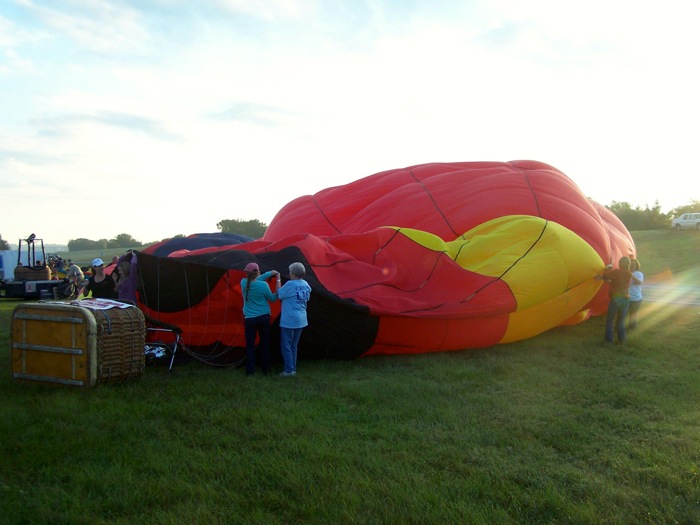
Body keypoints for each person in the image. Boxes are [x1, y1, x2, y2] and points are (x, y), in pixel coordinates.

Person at [240, 262, 280, 376]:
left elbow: (254, 279)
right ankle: (266, 370)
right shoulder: (263, 285)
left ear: (246, 273)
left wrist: (267, 274)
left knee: (250, 346)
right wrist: (277, 288)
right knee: (265, 344)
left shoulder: (243, 283)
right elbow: (272, 299)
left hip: (249, 319)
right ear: (258, 272)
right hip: (263, 317)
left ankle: (250, 371)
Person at [276, 262, 312, 377]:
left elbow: (279, 294)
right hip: (301, 318)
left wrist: (278, 280)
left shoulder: (290, 284)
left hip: (289, 319)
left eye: (290, 271)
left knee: (286, 345)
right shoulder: (306, 284)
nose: (289, 273)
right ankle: (293, 369)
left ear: (294, 273)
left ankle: (289, 370)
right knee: (294, 345)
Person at [601, 256, 641, 344]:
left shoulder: (617, 272)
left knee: (610, 320)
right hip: (625, 298)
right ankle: (621, 339)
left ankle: (609, 340)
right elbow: (619, 281)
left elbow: (606, 275)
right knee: (620, 321)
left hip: (616, 298)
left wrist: (609, 266)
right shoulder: (629, 273)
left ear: (620, 263)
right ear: (629, 265)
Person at [628, 258, 644, 330]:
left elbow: (639, 282)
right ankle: (621, 328)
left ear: (637, 266)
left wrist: (631, 275)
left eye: (634, 264)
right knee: (624, 314)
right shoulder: (626, 273)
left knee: (633, 314)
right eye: (631, 264)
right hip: (627, 298)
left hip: (636, 299)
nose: (632, 265)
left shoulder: (639, 274)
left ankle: (632, 328)